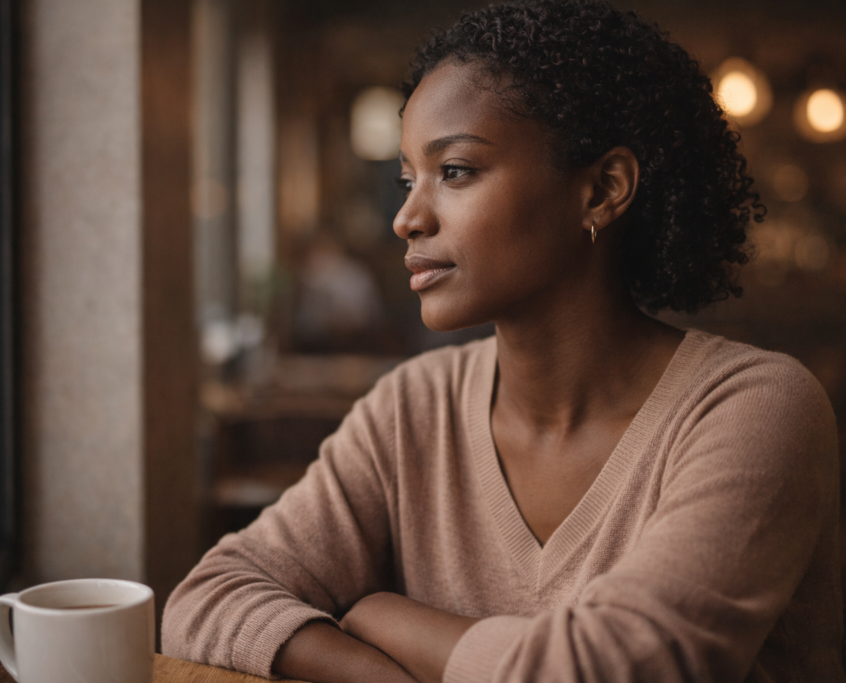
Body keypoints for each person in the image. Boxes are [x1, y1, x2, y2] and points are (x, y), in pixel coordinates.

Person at [162, 1, 843, 681]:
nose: (407, 217)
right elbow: (206, 599)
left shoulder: (756, 409)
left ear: (602, 189)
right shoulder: (411, 407)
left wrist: (379, 614)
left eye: (454, 171)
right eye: (407, 179)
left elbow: (613, 668)